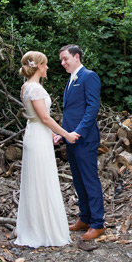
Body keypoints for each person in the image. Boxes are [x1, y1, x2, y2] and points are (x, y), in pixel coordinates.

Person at [14, 51, 79, 248]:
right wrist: (66, 134)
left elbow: (35, 117)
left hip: (35, 133)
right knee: (41, 180)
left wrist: (50, 134)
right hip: (37, 135)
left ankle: (36, 227)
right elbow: (45, 118)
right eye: (46, 64)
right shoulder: (35, 88)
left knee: (37, 179)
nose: (48, 68)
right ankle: (43, 231)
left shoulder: (26, 87)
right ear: (39, 66)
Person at [54, 44, 105, 240]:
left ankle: (98, 224)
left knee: (90, 180)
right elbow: (71, 111)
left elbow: (92, 108)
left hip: (85, 139)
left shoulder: (89, 76)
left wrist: (77, 132)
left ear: (76, 57)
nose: (62, 63)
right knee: (78, 179)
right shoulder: (71, 79)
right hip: (71, 139)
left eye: (65, 59)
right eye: (61, 60)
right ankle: (84, 218)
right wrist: (63, 134)